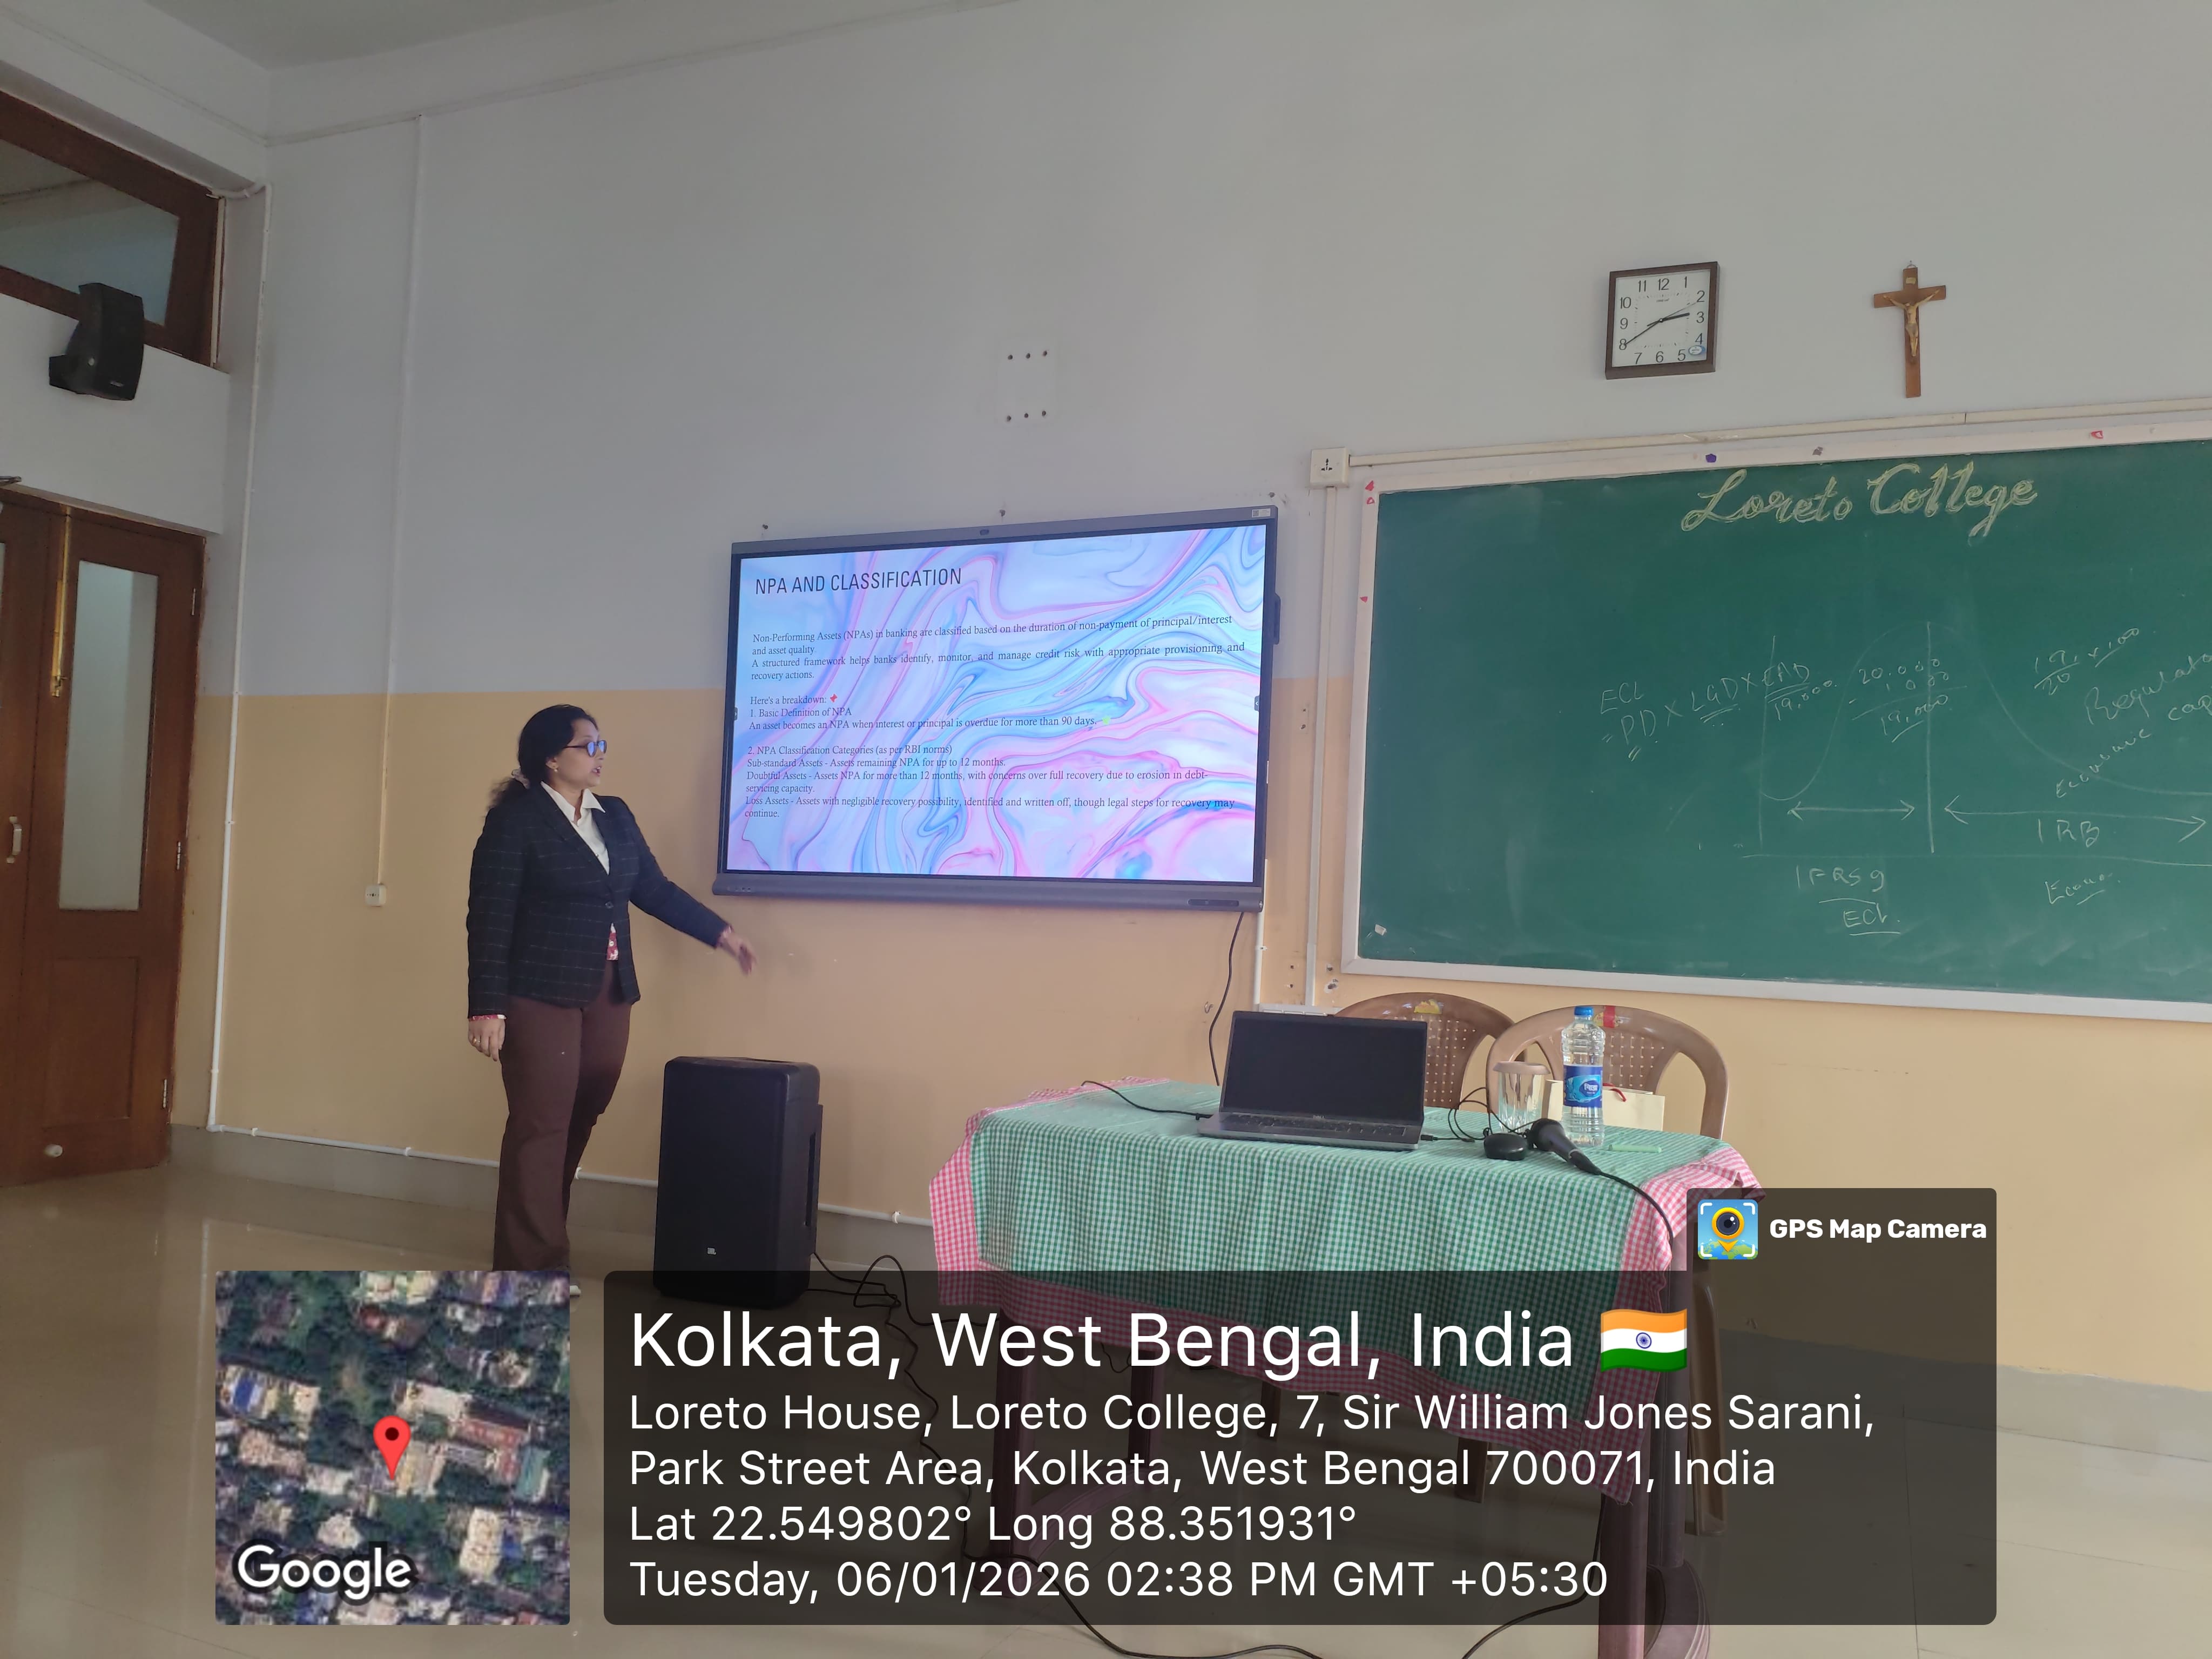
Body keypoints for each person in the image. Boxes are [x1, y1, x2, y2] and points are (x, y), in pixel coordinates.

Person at [466, 704, 755, 1271]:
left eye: (602, 745)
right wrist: (486, 1007)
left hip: (608, 987)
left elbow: (653, 888)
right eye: (587, 746)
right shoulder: (516, 822)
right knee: (541, 1123)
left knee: (584, 1106)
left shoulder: (614, 815)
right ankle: (531, 1265)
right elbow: (490, 918)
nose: (599, 756)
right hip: (537, 990)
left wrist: (719, 933)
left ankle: (542, 1230)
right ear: (553, 758)